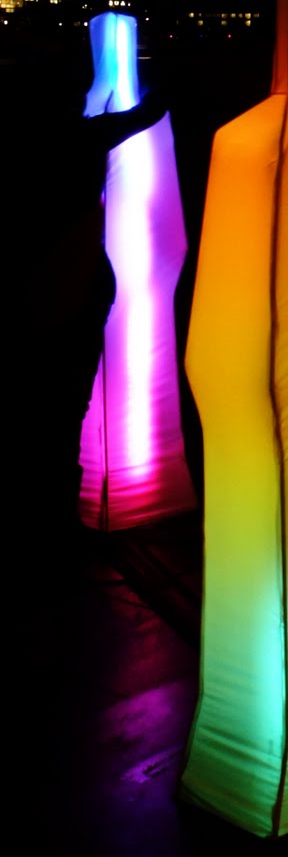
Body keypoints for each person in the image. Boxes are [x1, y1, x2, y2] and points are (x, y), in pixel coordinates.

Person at [3, 39, 168, 547]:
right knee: (66, 406)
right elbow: (149, 112)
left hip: (39, 292)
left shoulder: (25, 143)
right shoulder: (84, 135)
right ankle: (57, 520)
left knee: (35, 405)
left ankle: (33, 516)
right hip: (78, 287)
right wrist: (152, 72)